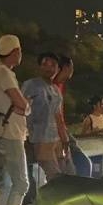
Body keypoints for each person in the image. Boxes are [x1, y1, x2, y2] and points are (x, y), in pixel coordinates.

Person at [0, 34, 30, 205]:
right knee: (21, 183)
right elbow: (22, 104)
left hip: (4, 130)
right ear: (15, 52)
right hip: (12, 132)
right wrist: (26, 107)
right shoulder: (5, 73)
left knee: (8, 182)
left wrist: (23, 107)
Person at [21, 52, 63, 182]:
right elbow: (23, 110)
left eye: (53, 65)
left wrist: (64, 138)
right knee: (54, 176)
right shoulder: (31, 85)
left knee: (64, 174)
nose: (48, 68)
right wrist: (26, 135)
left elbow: (58, 115)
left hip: (55, 139)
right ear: (40, 67)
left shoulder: (55, 89)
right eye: (45, 64)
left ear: (58, 69)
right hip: (40, 138)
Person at [53, 55, 77, 175]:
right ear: (66, 67)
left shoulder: (60, 85)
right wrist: (63, 134)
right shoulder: (52, 86)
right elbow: (55, 113)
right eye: (72, 67)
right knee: (64, 167)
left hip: (62, 130)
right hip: (55, 133)